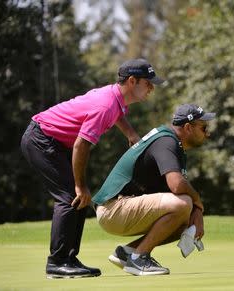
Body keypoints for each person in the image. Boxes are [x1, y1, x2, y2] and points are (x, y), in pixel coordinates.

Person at [20, 58, 165, 279]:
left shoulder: (114, 98)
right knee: (71, 196)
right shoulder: (105, 105)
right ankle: (57, 263)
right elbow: (81, 145)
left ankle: (68, 258)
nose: (152, 88)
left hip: (50, 141)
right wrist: (81, 185)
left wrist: (130, 134)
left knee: (78, 200)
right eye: (148, 83)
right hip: (41, 140)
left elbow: (118, 114)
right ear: (133, 81)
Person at [92, 104, 215, 276]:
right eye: (204, 128)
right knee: (182, 203)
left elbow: (176, 189)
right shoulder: (167, 140)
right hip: (113, 208)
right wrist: (198, 203)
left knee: (186, 221)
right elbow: (177, 185)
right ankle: (139, 258)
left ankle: (127, 253)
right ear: (188, 127)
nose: (207, 133)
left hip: (120, 208)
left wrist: (196, 212)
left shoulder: (173, 144)